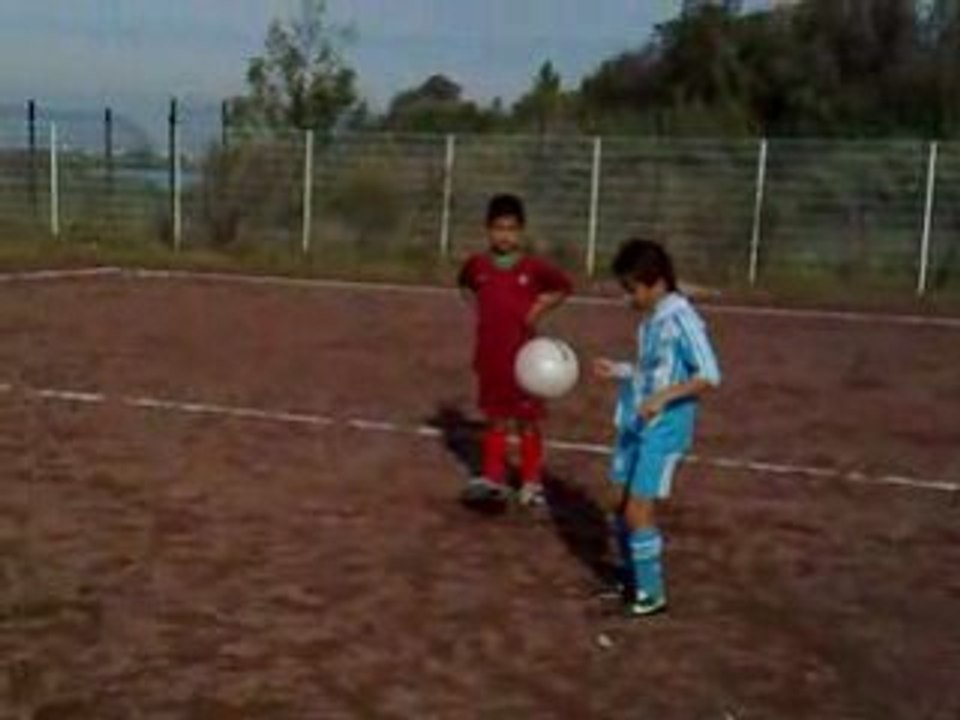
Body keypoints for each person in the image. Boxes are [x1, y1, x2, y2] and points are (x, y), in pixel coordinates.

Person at [594, 239, 721, 616]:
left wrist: (663, 399)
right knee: (617, 501)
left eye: (632, 290)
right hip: (635, 419)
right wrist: (618, 370)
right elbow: (652, 372)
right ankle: (632, 576)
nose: (628, 299)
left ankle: (651, 594)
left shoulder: (683, 319)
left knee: (638, 510)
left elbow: (709, 374)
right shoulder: (653, 320)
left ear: (656, 283)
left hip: (663, 429)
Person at [458, 194, 573, 507]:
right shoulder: (477, 265)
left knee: (527, 421)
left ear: (521, 231)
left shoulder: (533, 267)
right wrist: (481, 311)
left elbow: (563, 287)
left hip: (525, 360)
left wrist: (536, 311)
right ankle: (494, 478)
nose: (504, 235)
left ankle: (531, 482)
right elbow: (465, 286)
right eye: (498, 228)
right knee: (495, 419)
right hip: (490, 357)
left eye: (511, 229)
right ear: (488, 230)